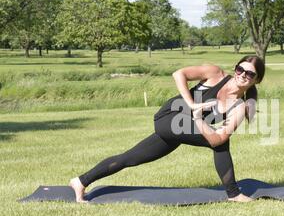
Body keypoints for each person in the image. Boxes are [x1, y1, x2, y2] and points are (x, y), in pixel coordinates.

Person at [69, 55, 265, 203]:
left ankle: (80, 181)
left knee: (130, 158)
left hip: (182, 128)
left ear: (257, 80)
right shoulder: (215, 73)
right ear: (235, 68)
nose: (242, 75)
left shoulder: (239, 106)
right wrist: (192, 104)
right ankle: (233, 193)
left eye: (250, 74)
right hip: (170, 117)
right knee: (221, 144)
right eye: (240, 70)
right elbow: (179, 74)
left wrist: (197, 118)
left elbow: (217, 139)